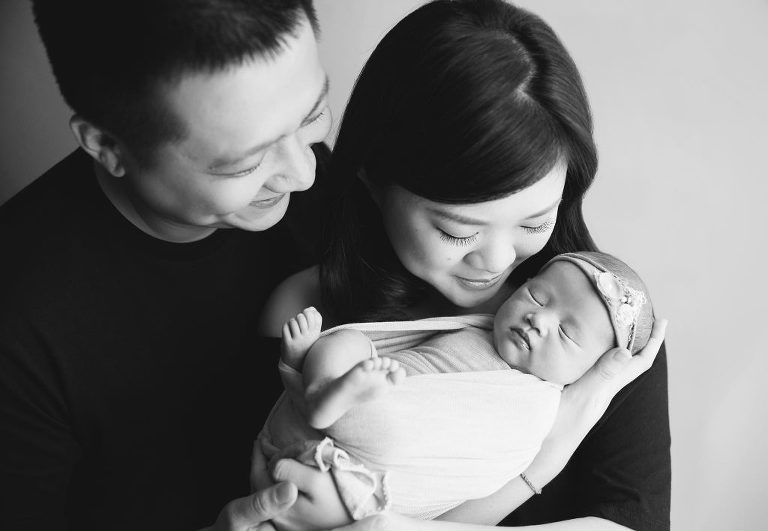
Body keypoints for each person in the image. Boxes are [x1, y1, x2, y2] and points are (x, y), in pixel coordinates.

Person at [257, 1, 670, 530]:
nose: (497, 261)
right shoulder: (305, 309)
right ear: (373, 181)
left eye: (534, 222)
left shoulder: (603, 328)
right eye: (458, 230)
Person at [0, 0, 334, 529]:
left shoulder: (303, 175)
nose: (304, 173)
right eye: (247, 162)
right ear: (108, 146)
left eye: (312, 115)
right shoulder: (20, 330)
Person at [262, 251, 655, 525]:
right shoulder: (485, 326)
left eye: (567, 333)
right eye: (537, 295)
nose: (539, 319)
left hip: (367, 453)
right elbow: (389, 341)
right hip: (370, 381)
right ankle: (320, 390)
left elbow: (470, 470)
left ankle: (325, 395)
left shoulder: (535, 407)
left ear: (589, 369)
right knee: (346, 341)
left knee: (373, 401)